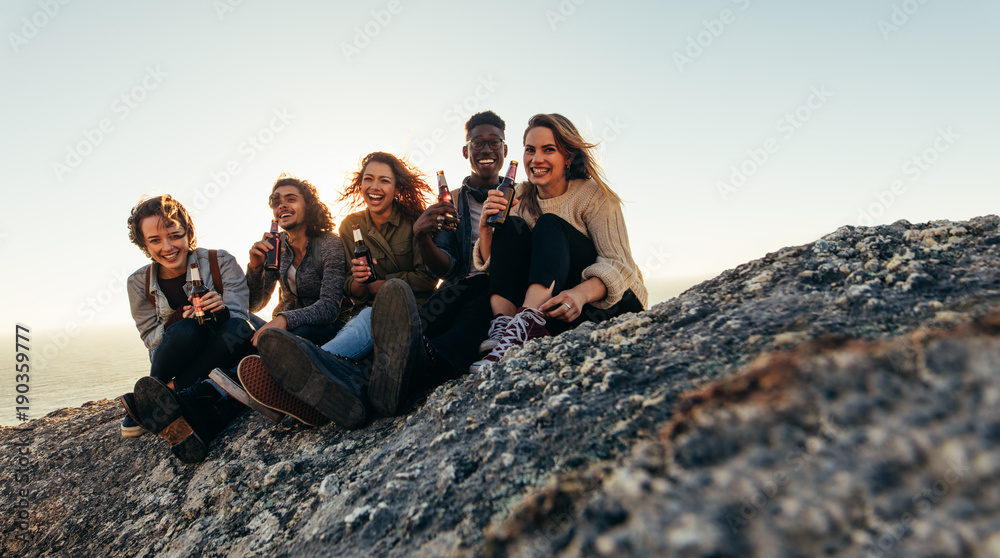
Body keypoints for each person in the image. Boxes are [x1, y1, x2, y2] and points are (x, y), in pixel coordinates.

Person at [239, 152, 436, 428]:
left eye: (384, 180)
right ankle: (225, 394)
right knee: (238, 326)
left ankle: (299, 378)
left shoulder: (334, 241)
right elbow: (257, 303)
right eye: (368, 179)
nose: (375, 187)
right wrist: (256, 268)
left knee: (362, 318)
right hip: (332, 318)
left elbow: (426, 280)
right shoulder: (291, 242)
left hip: (368, 318)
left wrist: (378, 285)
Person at [469, 113, 647, 370]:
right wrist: (485, 228)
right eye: (530, 150)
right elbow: (500, 265)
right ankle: (506, 329)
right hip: (553, 308)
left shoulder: (595, 197)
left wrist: (579, 294)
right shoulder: (518, 195)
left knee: (549, 224)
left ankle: (525, 326)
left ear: (568, 157)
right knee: (510, 226)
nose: (536, 159)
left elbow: (621, 266)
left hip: (606, 302)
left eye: (548, 150)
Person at [118, 195, 255, 462]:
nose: (167, 247)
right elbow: (150, 338)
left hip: (221, 349)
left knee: (238, 328)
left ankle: (160, 397)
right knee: (189, 330)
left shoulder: (220, 261)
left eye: (175, 235)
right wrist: (177, 318)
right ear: (144, 245)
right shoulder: (138, 282)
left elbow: (240, 317)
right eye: (155, 240)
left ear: (188, 233)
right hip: (175, 356)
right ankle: (166, 391)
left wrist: (221, 310)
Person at [245, 175, 346, 346]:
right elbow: (255, 305)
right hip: (282, 326)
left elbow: (330, 307)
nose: (282, 205)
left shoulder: (329, 243)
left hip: (323, 327)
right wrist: (255, 269)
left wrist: (283, 320)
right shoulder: (276, 245)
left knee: (298, 334)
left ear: (308, 206)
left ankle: (236, 371)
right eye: (276, 202)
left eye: (291, 199)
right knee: (240, 320)